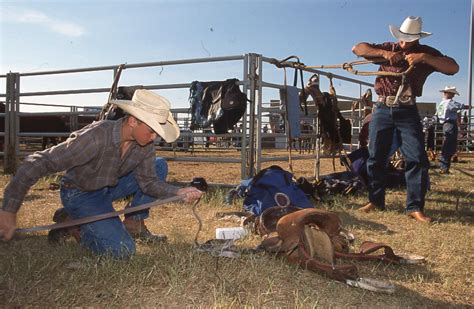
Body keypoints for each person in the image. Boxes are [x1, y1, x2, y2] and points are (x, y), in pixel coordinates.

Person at [0, 90, 203, 258]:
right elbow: (38, 162)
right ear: (133, 121)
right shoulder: (96, 138)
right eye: (152, 131)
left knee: (158, 166)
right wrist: (9, 210)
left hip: (108, 187)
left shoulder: (144, 146)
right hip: (80, 193)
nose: (154, 138)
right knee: (122, 251)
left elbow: (148, 183)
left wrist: (178, 192)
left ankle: (132, 221)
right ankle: (76, 223)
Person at [352, 16, 459, 222]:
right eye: (401, 37)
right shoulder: (388, 47)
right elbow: (358, 48)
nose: (402, 41)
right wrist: (384, 53)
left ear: (417, 39)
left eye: (407, 38)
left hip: (407, 109)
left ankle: (414, 207)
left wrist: (425, 59)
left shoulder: (426, 53)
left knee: (416, 157)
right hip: (382, 107)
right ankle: (375, 200)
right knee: (376, 157)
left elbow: (453, 68)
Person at [436, 86, 470, 173]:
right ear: (449, 94)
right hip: (450, 124)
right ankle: (444, 165)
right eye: (452, 93)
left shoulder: (442, 103)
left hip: (445, 124)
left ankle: (444, 165)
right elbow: (461, 106)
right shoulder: (450, 103)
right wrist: (469, 106)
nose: (453, 95)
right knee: (449, 145)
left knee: (447, 144)